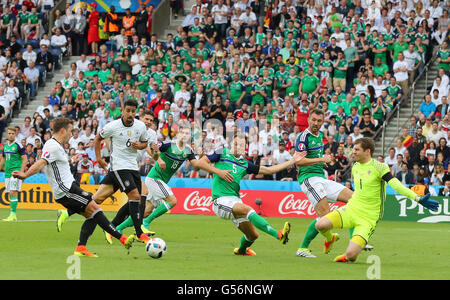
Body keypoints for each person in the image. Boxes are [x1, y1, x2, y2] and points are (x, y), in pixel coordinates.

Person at [12, 117, 135, 257]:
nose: (71, 134)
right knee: (95, 208)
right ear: (63, 130)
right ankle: (122, 238)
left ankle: (81, 248)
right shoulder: (52, 146)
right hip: (66, 190)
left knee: (92, 216)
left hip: (69, 187)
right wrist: (25, 174)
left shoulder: (56, 146)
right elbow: (41, 163)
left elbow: (57, 164)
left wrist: (71, 160)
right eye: (70, 131)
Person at [315, 137, 439, 263]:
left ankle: (348, 255)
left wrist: (417, 198)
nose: (354, 152)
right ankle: (330, 239)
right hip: (352, 209)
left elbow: (395, 184)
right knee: (320, 225)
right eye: (354, 149)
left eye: (357, 149)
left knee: (351, 256)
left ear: (367, 151)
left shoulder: (379, 167)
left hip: (369, 217)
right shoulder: (355, 166)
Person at [195, 133, 306, 256]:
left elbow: (269, 170)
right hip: (220, 201)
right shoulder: (222, 152)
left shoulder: (245, 164)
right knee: (247, 209)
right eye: (236, 143)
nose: (238, 146)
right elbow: (200, 163)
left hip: (235, 201)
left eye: (241, 145)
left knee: (252, 235)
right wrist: (219, 171)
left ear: (245, 148)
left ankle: (241, 250)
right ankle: (278, 234)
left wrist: (292, 160)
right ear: (232, 143)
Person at [113, 124, 235, 235]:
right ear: (178, 134)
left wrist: (202, 157)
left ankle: (119, 228)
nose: (185, 135)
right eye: (182, 132)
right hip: (154, 178)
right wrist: (158, 159)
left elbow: (196, 167)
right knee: (172, 201)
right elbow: (150, 149)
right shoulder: (168, 145)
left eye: (187, 134)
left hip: (160, 182)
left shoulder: (188, 151)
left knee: (146, 211)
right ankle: (145, 223)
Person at [294, 109, 358, 258]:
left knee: (354, 199)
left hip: (320, 178)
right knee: (325, 217)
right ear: (308, 119)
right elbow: (298, 161)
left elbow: (314, 158)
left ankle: (356, 241)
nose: (316, 123)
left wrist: (323, 162)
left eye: (319, 121)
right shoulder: (303, 137)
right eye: (314, 120)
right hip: (308, 179)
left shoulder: (319, 136)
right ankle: (304, 248)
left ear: (323, 122)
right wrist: (321, 159)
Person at [0, 127, 27, 221]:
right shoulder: (5, 146)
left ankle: (13, 215)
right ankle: (12, 214)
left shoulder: (18, 145)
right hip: (7, 173)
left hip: (15, 172)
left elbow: (25, 159)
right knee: (10, 193)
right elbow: (3, 159)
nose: (11, 135)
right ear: (7, 134)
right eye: (9, 133)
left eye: (12, 133)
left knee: (13, 192)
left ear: (15, 134)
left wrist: (21, 172)